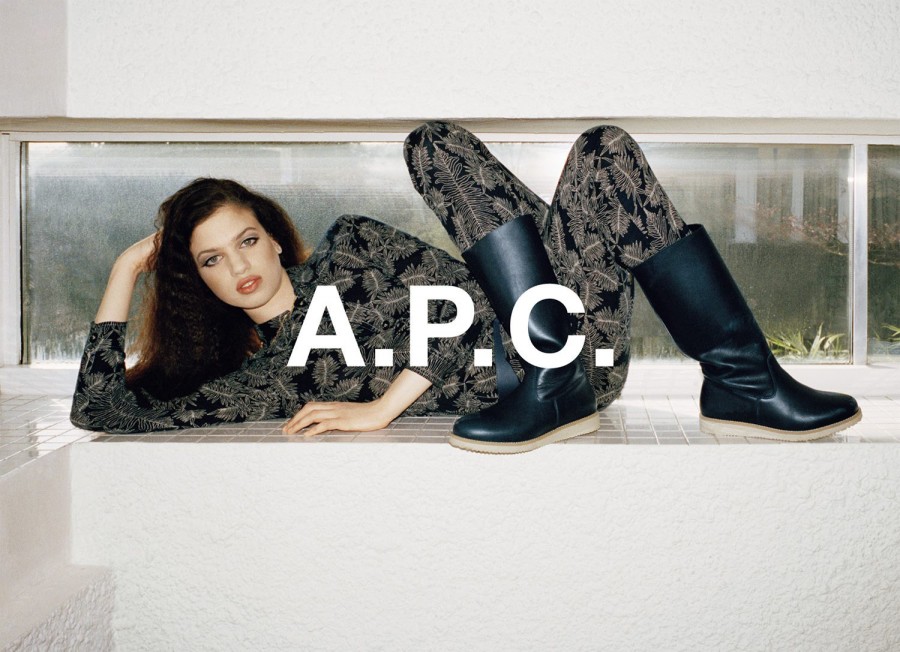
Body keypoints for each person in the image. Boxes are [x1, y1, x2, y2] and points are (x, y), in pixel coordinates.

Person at [70, 121, 862, 453]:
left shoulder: (353, 243)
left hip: (557, 341)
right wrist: (123, 272)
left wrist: (381, 407)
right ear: (198, 280)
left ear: (273, 236)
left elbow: (481, 301)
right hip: (566, 367)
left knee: (522, 146)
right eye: (211, 260)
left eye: (246, 240)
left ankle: (740, 381)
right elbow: (101, 412)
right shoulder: (264, 378)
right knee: (591, 159)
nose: (239, 265)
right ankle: (578, 384)